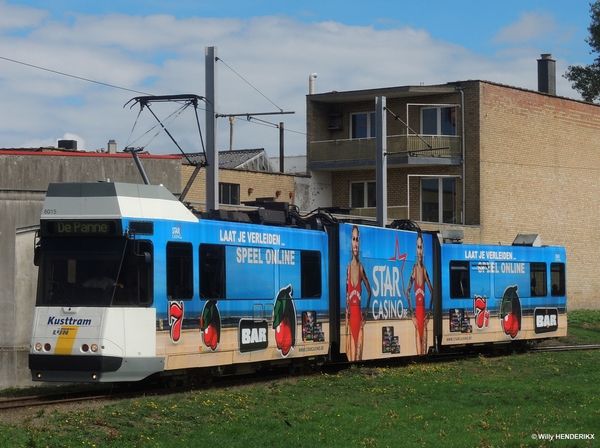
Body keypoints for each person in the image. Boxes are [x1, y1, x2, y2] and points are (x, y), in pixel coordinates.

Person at [345, 225, 371, 361]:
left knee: (358, 357)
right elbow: (346, 299)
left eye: (357, 240)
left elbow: (369, 291)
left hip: (359, 317)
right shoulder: (348, 269)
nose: (355, 243)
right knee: (351, 357)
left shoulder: (360, 268)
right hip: (350, 319)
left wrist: (365, 315)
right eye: (353, 239)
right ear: (351, 242)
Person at [405, 233, 434, 355]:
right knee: (419, 350)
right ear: (416, 250)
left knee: (424, 349)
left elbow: (432, 291)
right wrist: (412, 314)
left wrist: (429, 313)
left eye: (421, 247)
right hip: (417, 314)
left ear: (423, 249)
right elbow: (408, 291)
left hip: (423, 315)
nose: (420, 251)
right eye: (418, 247)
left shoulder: (425, 270)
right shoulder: (414, 270)